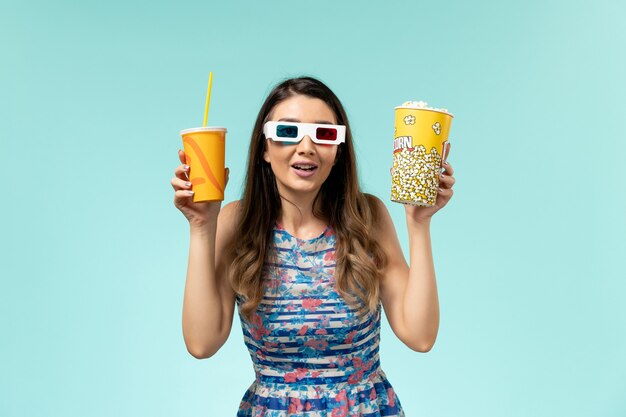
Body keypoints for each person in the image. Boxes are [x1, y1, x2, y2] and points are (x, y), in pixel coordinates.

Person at [171, 76, 456, 416]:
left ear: (337, 152)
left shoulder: (369, 217)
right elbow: (202, 343)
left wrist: (419, 223)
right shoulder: (237, 223)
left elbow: (420, 335)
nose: (306, 147)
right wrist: (202, 227)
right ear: (264, 147)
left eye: (324, 134)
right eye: (287, 132)